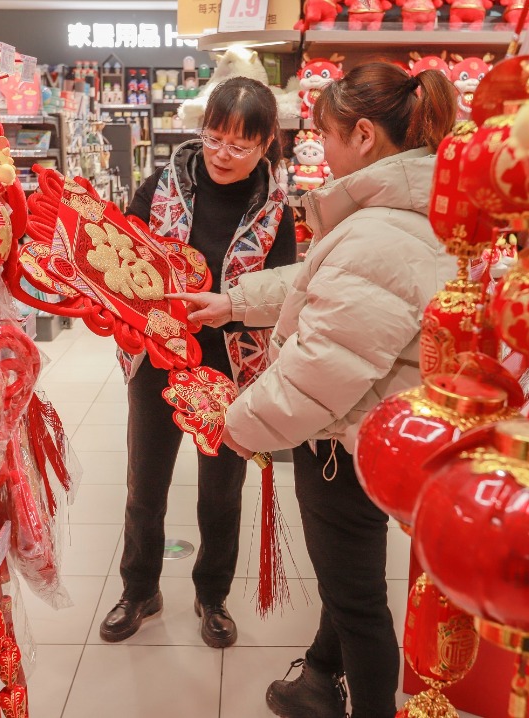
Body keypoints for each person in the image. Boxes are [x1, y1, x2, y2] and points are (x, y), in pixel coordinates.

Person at [173, 63, 457, 718]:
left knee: (358, 601)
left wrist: (234, 424)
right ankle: (318, 676)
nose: (317, 149)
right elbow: (322, 285)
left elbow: (319, 374)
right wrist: (234, 302)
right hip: (386, 431)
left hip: (344, 442)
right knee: (348, 578)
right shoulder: (408, 211)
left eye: (324, 134)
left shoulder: (377, 232)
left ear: (362, 135)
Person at [99, 76, 297, 649]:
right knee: (146, 484)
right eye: (214, 137)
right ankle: (139, 590)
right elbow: (123, 249)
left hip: (231, 368)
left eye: (240, 145)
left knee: (220, 490)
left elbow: (281, 294)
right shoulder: (163, 184)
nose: (222, 154)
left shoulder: (275, 213)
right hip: (158, 361)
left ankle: (213, 597)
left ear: (267, 146)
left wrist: (227, 310)